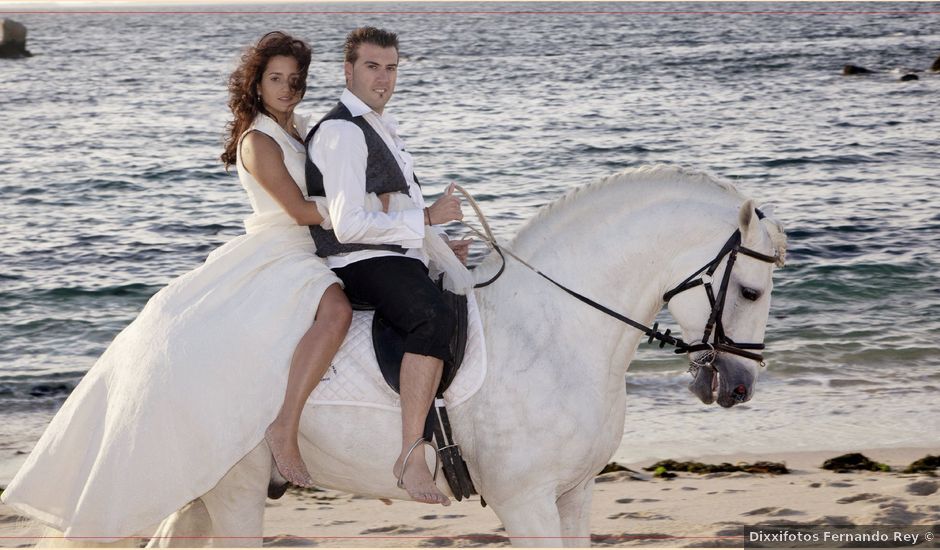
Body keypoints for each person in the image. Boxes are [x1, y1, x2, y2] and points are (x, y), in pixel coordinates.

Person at [0, 31, 350, 539]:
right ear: (256, 83)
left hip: (307, 245)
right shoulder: (257, 140)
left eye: (295, 81)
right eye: (275, 79)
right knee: (336, 312)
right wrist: (374, 217)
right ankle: (284, 430)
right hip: (282, 249)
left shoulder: (293, 127)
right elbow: (297, 211)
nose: (286, 89)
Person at [306, 26, 471, 507]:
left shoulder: (381, 125)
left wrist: (431, 243)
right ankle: (410, 453)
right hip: (358, 259)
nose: (383, 78)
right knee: (431, 316)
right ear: (348, 69)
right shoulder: (341, 131)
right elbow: (346, 222)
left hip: (392, 252)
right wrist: (425, 218)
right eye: (372, 67)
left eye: (391, 68)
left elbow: (388, 207)